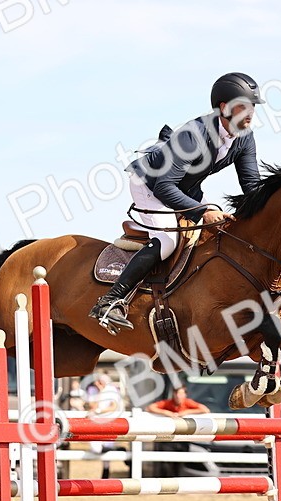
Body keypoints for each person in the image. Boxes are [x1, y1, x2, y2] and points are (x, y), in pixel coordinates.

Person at [89, 72, 264, 332]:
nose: (249, 114)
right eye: (243, 106)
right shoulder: (193, 135)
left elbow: (251, 187)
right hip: (150, 185)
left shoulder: (244, 138)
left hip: (184, 187)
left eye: (252, 107)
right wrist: (203, 212)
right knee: (168, 241)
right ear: (224, 108)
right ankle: (110, 301)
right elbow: (164, 187)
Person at [84, 372, 125, 478]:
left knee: (106, 448)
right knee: (96, 448)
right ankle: (120, 450)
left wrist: (99, 411)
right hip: (96, 422)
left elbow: (113, 406)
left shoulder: (112, 391)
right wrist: (100, 393)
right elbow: (92, 406)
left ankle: (105, 474)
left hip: (109, 422)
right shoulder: (94, 391)